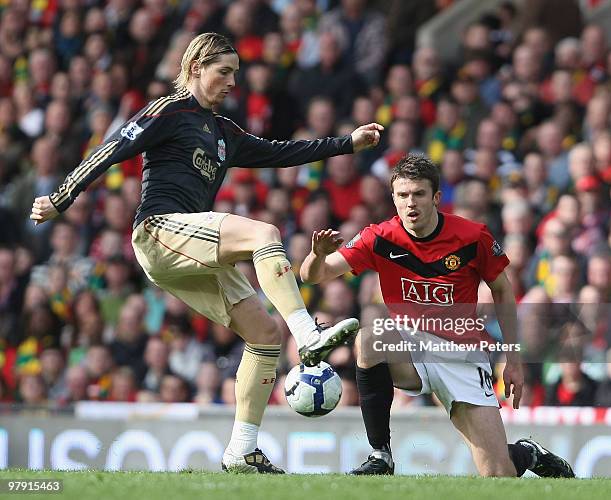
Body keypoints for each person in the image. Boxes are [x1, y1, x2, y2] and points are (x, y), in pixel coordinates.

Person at [29, 32, 383, 474]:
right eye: (225, 71)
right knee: (265, 233)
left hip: (190, 249)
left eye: (235, 72)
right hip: (158, 231)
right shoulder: (168, 110)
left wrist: (345, 144)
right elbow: (112, 148)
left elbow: (281, 152)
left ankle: (241, 451)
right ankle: (307, 333)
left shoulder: (223, 132)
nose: (233, 81)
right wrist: (62, 196)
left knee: (264, 335)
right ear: (196, 66)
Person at [300, 154, 575, 478]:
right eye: (403, 195)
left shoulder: (472, 238)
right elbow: (311, 276)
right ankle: (381, 455)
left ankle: (526, 453)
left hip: (461, 355)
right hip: (409, 347)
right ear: (393, 198)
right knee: (370, 337)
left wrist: (513, 359)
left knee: (499, 475)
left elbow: (502, 291)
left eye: (418, 194)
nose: (410, 203)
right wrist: (317, 256)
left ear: (436, 197)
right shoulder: (379, 237)